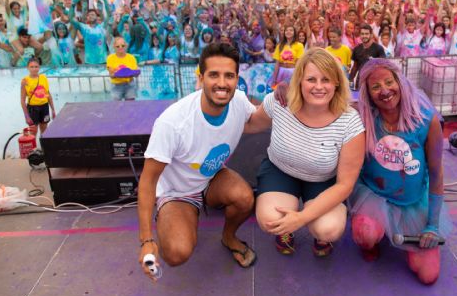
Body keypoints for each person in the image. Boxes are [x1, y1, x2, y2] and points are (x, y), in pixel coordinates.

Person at [138, 43, 259, 281]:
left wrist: (284, 97)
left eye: (229, 76)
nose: (222, 83)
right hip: (178, 192)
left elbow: (259, 119)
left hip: (211, 178)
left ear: (237, 78)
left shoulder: (239, 102)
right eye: (214, 75)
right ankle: (172, 215)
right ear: (201, 77)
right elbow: (148, 180)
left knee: (245, 198)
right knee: (176, 253)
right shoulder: (173, 122)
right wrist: (146, 240)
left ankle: (229, 237)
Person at [250, 48, 365, 257]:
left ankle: (320, 237)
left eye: (326, 80)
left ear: (337, 82)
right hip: (280, 170)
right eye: (311, 79)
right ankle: (284, 230)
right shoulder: (280, 102)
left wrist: (300, 219)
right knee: (269, 219)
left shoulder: (349, 122)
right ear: (299, 81)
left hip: (323, 179)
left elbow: (345, 184)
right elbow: (248, 125)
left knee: (328, 228)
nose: (319, 87)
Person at [349, 58, 452, 285]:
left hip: (412, 202)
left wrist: (432, 226)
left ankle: (412, 236)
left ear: (400, 81)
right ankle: (373, 238)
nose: (384, 91)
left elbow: (437, 174)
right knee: (365, 235)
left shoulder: (426, 119)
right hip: (374, 196)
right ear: (367, 93)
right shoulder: (363, 119)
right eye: (375, 87)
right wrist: (288, 89)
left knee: (428, 275)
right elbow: (328, 102)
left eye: (389, 82)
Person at [20, 56, 56, 138]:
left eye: (36, 67)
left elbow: (48, 94)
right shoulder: (25, 81)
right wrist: (27, 116)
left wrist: (53, 110)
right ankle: (33, 150)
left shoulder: (43, 78)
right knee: (33, 131)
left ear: (39, 67)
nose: (34, 69)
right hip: (33, 108)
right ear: (28, 68)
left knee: (44, 130)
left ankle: (42, 148)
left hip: (44, 106)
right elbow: (22, 100)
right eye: (31, 67)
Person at [106, 37, 139, 101]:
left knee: (130, 106)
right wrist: (117, 74)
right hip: (116, 85)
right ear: (114, 47)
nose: (120, 48)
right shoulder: (110, 58)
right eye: (118, 46)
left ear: (126, 46)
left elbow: (135, 72)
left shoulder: (131, 58)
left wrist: (136, 73)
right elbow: (111, 75)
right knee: (116, 106)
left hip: (129, 84)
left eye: (122, 46)